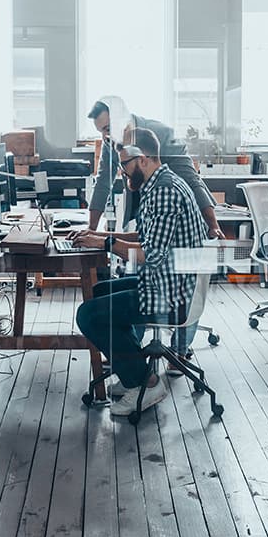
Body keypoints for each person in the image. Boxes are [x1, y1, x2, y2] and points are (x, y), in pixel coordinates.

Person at [73, 128, 208, 418]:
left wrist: (106, 243)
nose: (121, 171)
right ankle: (135, 368)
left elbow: (150, 255)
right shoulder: (161, 184)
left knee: (88, 314)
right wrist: (97, 235)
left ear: (143, 159)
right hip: (172, 282)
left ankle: (144, 383)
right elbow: (147, 238)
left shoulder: (163, 192)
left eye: (125, 164)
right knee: (99, 292)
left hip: (173, 295)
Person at [86, 96, 224, 239]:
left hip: (169, 209)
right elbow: (103, 182)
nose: (104, 137)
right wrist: (91, 230)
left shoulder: (163, 134)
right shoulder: (110, 141)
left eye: (107, 129)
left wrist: (213, 226)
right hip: (139, 209)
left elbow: (191, 180)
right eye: (100, 131)